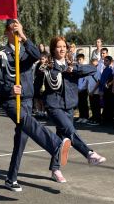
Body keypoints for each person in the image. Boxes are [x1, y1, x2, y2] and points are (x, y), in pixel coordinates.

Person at [0, 19, 71, 190]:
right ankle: (55, 145)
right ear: (6, 32)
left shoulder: (26, 50)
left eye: (17, 28)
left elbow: (38, 56)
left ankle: (10, 178)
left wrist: (23, 36)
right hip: (12, 101)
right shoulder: (2, 54)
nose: (13, 31)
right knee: (28, 122)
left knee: (21, 139)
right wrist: (9, 88)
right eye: (11, 29)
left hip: (27, 99)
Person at [42, 36, 106, 171]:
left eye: (64, 46)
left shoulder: (72, 65)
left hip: (69, 106)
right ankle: (89, 153)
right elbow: (36, 84)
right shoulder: (48, 66)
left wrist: (74, 69)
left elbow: (93, 69)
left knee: (62, 138)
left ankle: (55, 169)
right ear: (53, 49)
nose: (62, 49)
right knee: (70, 131)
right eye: (59, 46)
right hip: (54, 106)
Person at [98, 55, 114, 125]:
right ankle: (105, 119)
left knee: (108, 105)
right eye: (104, 60)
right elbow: (101, 80)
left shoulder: (110, 70)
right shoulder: (105, 69)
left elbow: (108, 80)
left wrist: (104, 87)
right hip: (103, 89)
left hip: (107, 89)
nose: (105, 62)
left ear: (110, 62)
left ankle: (108, 120)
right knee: (105, 105)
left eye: (107, 61)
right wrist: (100, 89)